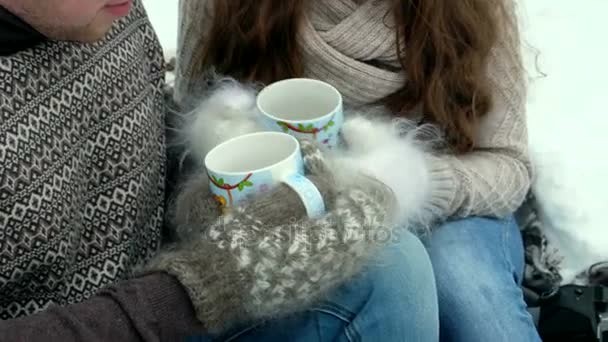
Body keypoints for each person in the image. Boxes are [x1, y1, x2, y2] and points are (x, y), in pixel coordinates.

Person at [0, 0, 439, 340]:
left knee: (394, 267)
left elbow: (127, 157)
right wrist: (200, 285)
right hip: (138, 314)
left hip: (151, 304)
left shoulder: (108, 18)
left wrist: (209, 192)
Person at [173, 0, 541, 341]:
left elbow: (507, 164)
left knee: (466, 295)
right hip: (291, 215)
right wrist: (221, 135)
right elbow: (189, 122)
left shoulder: (470, 8)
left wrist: (412, 182)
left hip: (447, 208)